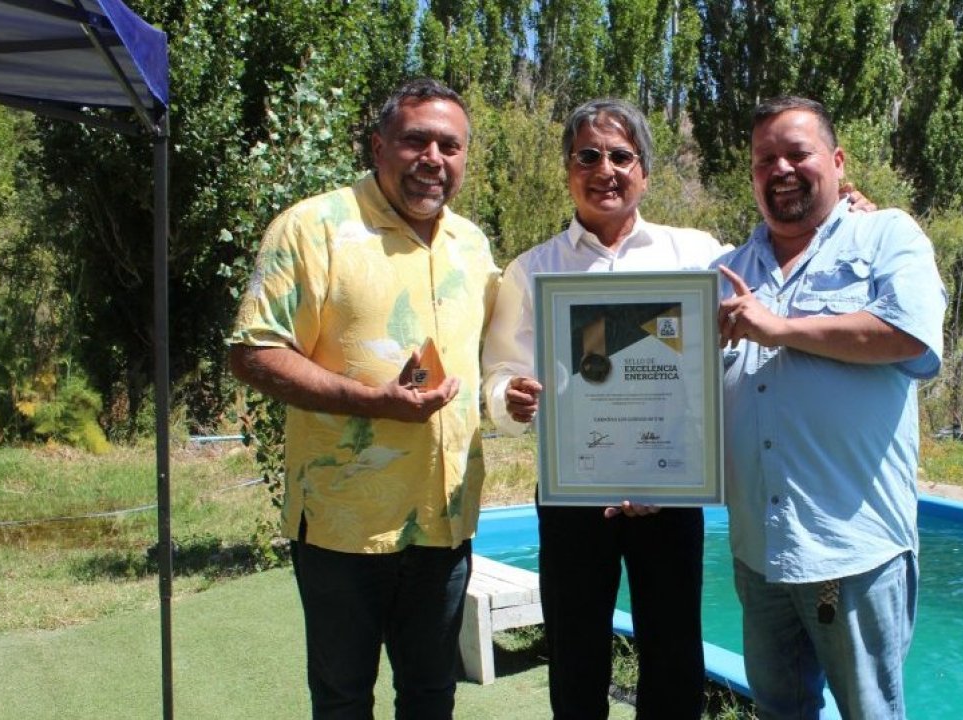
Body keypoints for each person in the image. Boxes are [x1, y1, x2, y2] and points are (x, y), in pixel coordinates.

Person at [226, 78, 499, 719]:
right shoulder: (312, 228)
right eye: (415, 141)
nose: (433, 158)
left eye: (450, 146)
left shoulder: (472, 244)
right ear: (379, 147)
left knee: (431, 696)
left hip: (443, 519)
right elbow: (253, 352)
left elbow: (500, 353)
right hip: (341, 524)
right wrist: (373, 401)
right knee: (344, 699)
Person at [481, 98, 731, 718]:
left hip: (669, 490)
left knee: (674, 655)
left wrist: (844, 214)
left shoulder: (697, 254)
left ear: (644, 169)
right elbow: (500, 372)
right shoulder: (532, 269)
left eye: (621, 156)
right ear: (568, 169)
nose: (605, 170)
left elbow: (772, 275)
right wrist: (509, 396)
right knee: (574, 654)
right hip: (574, 494)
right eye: (587, 156)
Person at [715, 96, 946, 720]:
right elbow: (679, 391)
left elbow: (910, 335)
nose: (781, 169)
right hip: (760, 552)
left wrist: (779, 328)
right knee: (778, 710)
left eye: (798, 153)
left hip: (853, 552)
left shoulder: (886, 235)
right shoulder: (726, 270)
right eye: (765, 160)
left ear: (838, 162)